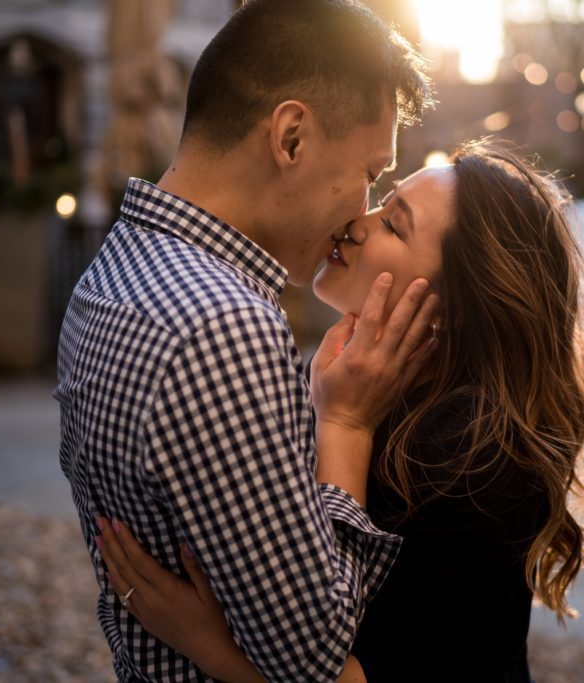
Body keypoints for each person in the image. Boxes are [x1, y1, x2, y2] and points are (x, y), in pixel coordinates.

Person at [96, 140, 584, 682]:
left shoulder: (484, 462)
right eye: (381, 202)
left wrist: (209, 645)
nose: (357, 224)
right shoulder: (369, 386)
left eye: (394, 225)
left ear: (454, 308)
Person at [53, 1, 436, 681]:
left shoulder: (110, 271)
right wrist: (345, 424)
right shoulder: (224, 326)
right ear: (290, 138)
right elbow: (315, 653)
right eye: (370, 174)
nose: (360, 212)